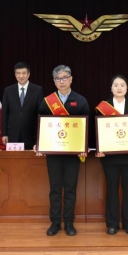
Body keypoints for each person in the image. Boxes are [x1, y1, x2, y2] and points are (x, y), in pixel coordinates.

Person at [37, 65, 90, 236]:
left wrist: (84, 146)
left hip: (73, 154)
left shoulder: (80, 100)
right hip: (53, 153)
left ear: (71, 79)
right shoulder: (47, 102)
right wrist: (39, 144)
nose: (62, 81)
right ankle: (55, 223)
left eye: (65, 77)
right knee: (54, 188)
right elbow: (40, 125)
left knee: (70, 188)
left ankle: (69, 222)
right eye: (58, 79)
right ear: (54, 81)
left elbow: (86, 127)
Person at [95, 75, 128, 235]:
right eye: (116, 85)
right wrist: (98, 148)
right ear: (111, 88)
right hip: (109, 157)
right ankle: (112, 224)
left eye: (122, 85)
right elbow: (96, 130)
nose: (119, 88)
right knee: (111, 189)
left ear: (127, 88)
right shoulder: (102, 107)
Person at [1, 62, 44, 150]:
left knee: (30, 158)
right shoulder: (8, 91)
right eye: (18, 73)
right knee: (14, 158)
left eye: (24, 73)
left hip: (31, 134)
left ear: (28, 74)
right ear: (15, 75)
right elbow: (4, 113)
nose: (21, 76)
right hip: (12, 134)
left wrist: (39, 135)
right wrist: (4, 134)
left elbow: (40, 113)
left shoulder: (38, 90)